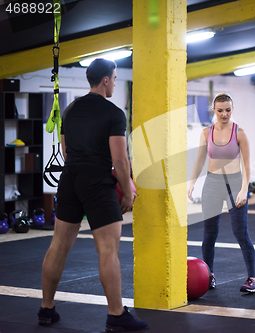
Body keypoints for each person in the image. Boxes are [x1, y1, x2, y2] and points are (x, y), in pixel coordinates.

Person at [38, 59, 147, 332]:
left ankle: (46, 308)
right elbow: (120, 161)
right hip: (97, 181)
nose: (115, 82)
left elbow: (65, 151)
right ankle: (116, 314)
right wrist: (126, 193)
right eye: (115, 77)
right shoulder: (113, 113)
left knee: (58, 245)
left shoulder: (70, 109)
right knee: (108, 249)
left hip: (70, 178)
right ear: (106, 80)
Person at [188, 93, 255, 293]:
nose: (224, 114)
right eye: (220, 110)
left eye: (228, 110)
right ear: (214, 110)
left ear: (232, 109)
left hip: (235, 184)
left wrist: (244, 189)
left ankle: (252, 279)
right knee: (209, 234)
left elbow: (246, 165)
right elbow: (200, 160)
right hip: (212, 184)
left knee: (240, 233)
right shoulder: (206, 132)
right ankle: (208, 276)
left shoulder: (239, 133)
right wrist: (191, 183)